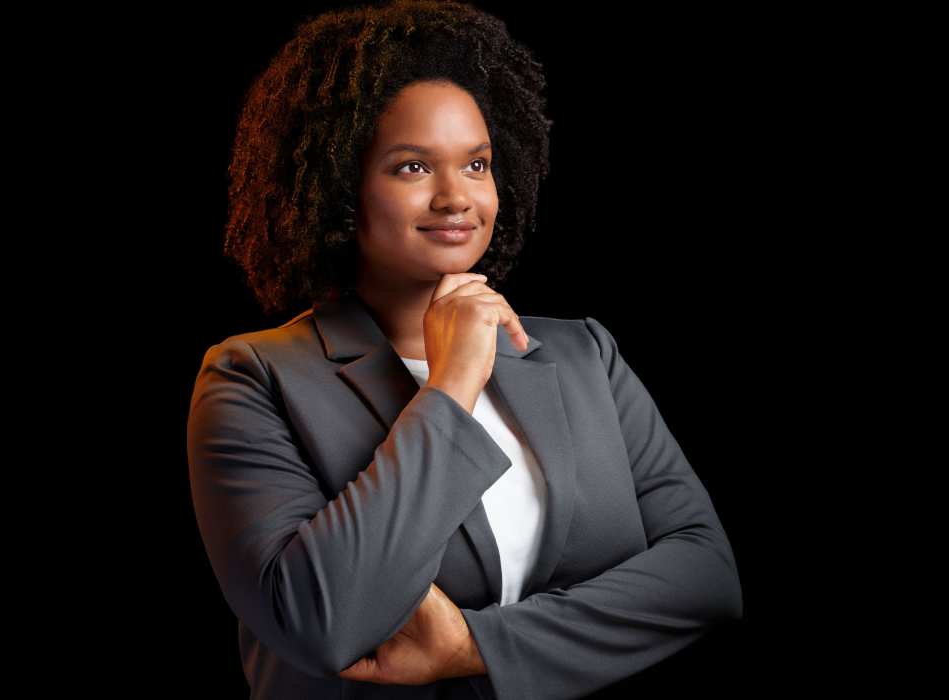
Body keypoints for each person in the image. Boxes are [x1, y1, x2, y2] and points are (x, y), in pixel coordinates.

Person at [186, 3, 742, 699]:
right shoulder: (254, 377)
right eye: (413, 166)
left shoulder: (583, 354)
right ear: (339, 190)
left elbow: (706, 579)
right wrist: (450, 383)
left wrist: (477, 648)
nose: (457, 197)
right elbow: (318, 620)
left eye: (476, 164)